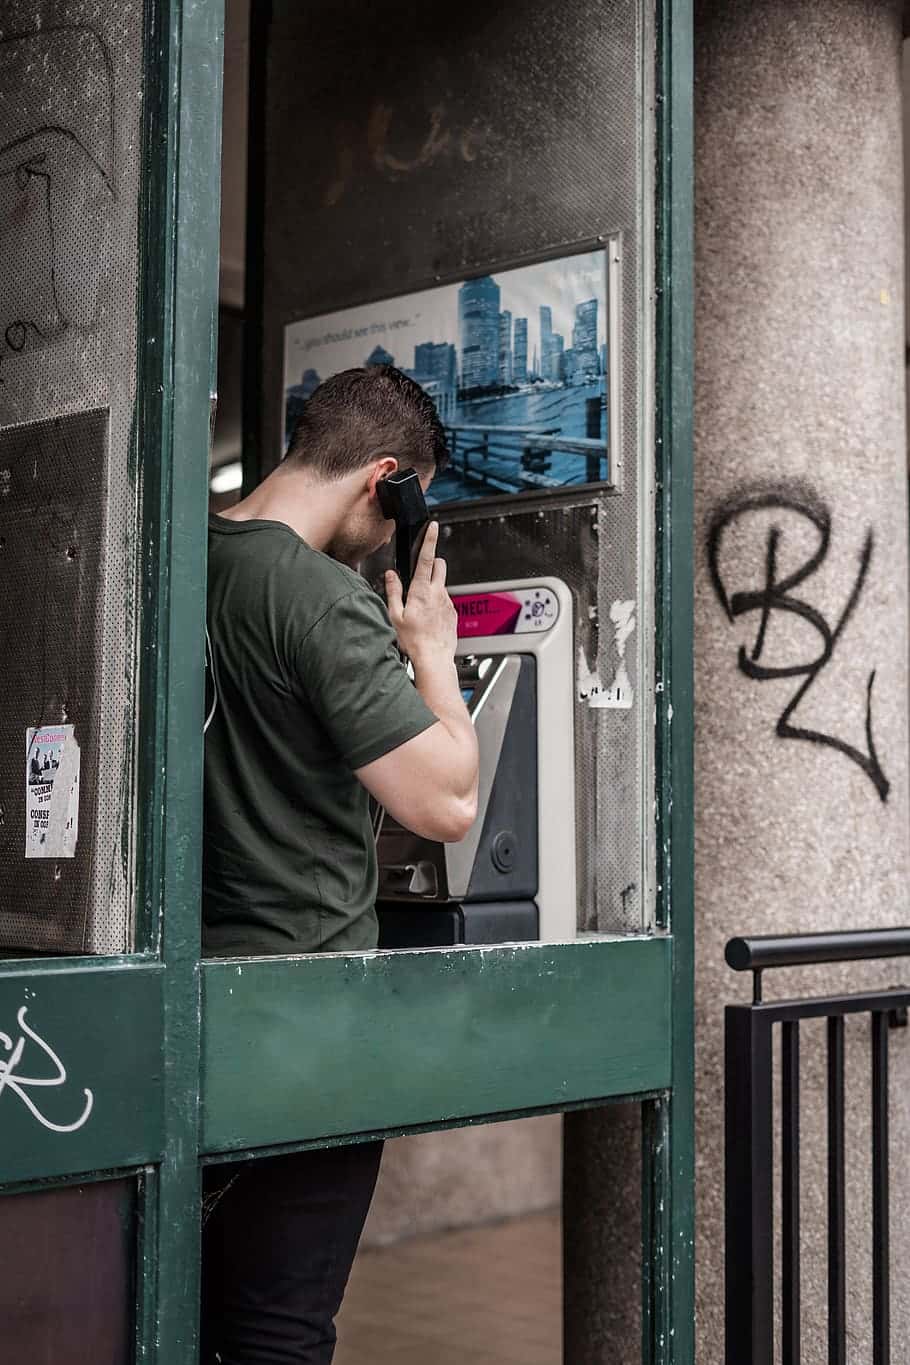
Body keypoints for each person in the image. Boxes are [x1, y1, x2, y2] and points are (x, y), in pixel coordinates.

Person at [200, 365, 479, 1364]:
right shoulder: (320, 598)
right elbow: (444, 802)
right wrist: (432, 655)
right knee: (277, 1325)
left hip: (180, 997)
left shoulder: (173, 557)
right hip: (301, 1014)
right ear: (386, 480)